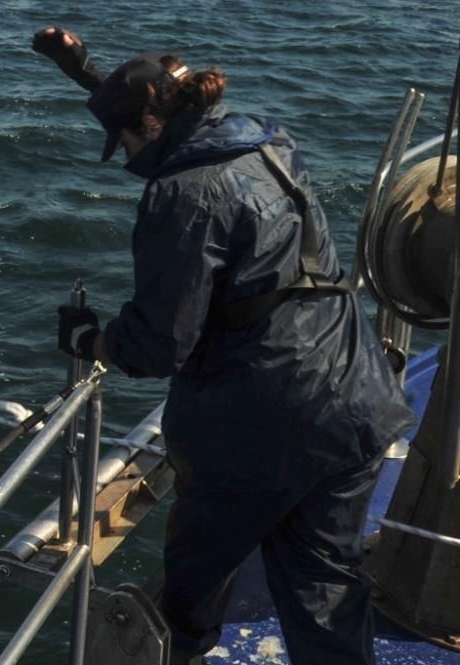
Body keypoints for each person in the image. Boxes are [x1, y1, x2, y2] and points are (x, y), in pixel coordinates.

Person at [33, 27, 416, 665]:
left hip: (260, 425)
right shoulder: (268, 141)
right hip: (354, 398)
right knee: (325, 586)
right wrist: (86, 72)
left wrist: (94, 338)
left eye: (124, 139)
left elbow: (160, 343)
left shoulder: (179, 196)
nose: (125, 156)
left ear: (153, 123)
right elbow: (165, 115)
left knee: (192, 585)